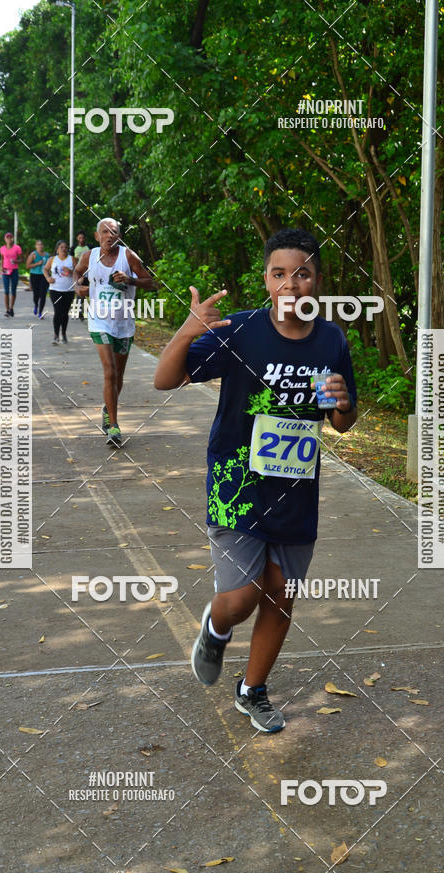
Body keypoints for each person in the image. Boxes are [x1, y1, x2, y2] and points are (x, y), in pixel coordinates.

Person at [154, 228, 358, 733]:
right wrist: (187, 330)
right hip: (236, 483)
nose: (291, 284)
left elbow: (341, 421)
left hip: (294, 487)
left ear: (317, 282)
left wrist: (342, 402)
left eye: (303, 273)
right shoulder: (240, 330)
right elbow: (164, 380)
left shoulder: (332, 338)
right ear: (266, 280)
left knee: (282, 593)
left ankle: (254, 690)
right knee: (243, 596)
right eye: (279, 273)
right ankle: (216, 628)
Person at [74, 217, 155, 447]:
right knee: (109, 372)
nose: (110, 235)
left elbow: (151, 282)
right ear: (97, 235)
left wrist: (130, 280)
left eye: (114, 232)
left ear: (119, 235)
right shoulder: (88, 257)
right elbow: (77, 273)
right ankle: (114, 427)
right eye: (105, 232)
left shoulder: (128, 256)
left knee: (118, 377)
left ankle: (107, 408)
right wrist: (79, 287)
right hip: (99, 321)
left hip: (124, 322)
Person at [44, 240, 76, 345]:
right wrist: (48, 278)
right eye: (61, 247)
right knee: (58, 311)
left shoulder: (72, 259)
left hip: (69, 290)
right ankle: (56, 335)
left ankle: (64, 333)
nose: (64, 249)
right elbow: (45, 269)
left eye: (66, 247)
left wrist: (71, 272)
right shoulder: (52, 259)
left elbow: (79, 273)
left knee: (65, 313)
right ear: (57, 249)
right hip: (55, 290)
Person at [0, 232, 22, 317]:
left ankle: (11, 308)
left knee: (13, 290)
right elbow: (2, 258)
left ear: (12, 239)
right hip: (5, 271)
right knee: (6, 291)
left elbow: (22, 259)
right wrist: (1, 267)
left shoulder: (17, 248)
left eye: (10, 238)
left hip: (14, 271)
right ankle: (7, 310)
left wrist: (16, 261)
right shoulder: (2, 248)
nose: (9, 239)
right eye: (7, 238)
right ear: (5, 239)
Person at [26, 240, 49, 318]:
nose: (40, 246)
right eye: (38, 245)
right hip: (35, 275)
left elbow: (49, 266)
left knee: (43, 295)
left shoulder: (47, 255)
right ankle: (36, 305)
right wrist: (37, 263)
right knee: (36, 294)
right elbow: (28, 266)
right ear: (36, 246)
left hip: (44, 276)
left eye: (42, 244)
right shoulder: (33, 254)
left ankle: (40, 312)